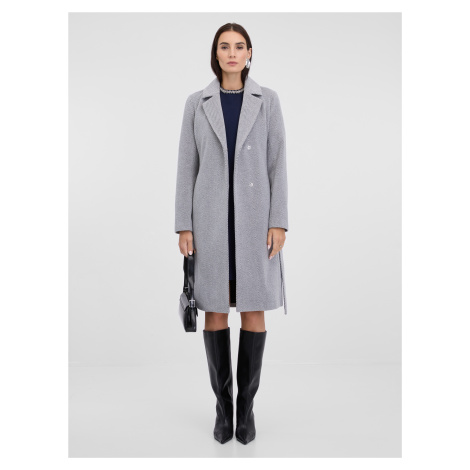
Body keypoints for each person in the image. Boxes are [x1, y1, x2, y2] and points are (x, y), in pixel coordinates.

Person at [175, 23, 289, 445]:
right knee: (216, 311)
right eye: (225, 46)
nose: (232, 53)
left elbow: (278, 163)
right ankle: (224, 410)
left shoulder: (268, 101)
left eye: (240, 46)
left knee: (254, 310)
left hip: (256, 222)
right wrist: (184, 224)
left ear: (250, 53)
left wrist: (279, 220)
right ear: (216, 54)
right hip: (210, 222)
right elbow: (186, 166)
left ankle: (247, 410)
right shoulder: (196, 103)